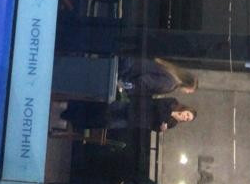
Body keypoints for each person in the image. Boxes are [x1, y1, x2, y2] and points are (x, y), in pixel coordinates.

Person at [60, 95, 196, 135]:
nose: (185, 117)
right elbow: (158, 105)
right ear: (186, 109)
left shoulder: (173, 123)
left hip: (134, 120)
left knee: (105, 122)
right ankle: (73, 107)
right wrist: (169, 114)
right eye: (187, 115)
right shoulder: (173, 102)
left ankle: (74, 119)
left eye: (187, 119)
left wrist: (161, 128)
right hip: (134, 107)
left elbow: (154, 126)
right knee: (105, 108)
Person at [118, 56, 196, 97]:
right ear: (187, 85)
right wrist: (125, 85)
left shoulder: (171, 70)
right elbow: (145, 82)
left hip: (131, 62)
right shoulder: (170, 84)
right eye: (189, 91)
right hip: (127, 72)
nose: (187, 93)